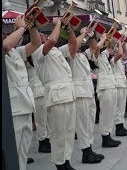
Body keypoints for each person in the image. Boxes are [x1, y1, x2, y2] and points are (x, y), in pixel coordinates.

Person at [32, 17, 77, 169]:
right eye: (41, 34)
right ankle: (59, 164)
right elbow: (51, 41)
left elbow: (73, 45)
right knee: (58, 134)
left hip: (68, 94)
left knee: (69, 132)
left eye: (45, 34)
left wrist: (69, 30)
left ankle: (66, 161)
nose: (44, 36)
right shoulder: (36, 53)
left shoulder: (56, 50)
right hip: (56, 97)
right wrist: (58, 24)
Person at [4, 15, 41, 170]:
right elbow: (5, 45)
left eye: (7, 33)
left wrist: (31, 26)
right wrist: (21, 28)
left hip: (25, 106)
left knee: (22, 153)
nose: (6, 35)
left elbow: (36, 43)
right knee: (13, 154)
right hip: (12, 110)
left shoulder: (16, 52)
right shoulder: (6, 48)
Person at [71, 27, 105, 164]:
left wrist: (92, 34)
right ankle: (85, 152)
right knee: (83, 125)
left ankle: (89, 150)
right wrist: (82, 33)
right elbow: (74, 45)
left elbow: (94, 47)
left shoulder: (83, 54)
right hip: (79, 94)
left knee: (90, 123)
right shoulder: (68, 52)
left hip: (88, 91)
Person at [91, 35, 123, 146]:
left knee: (110, 112)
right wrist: (103, 38)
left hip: (110, 86)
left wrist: (113, 39)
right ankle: (105, 137)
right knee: (105, 113)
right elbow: (97, 48)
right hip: (104, 88)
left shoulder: (104, 55)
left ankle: (108, 135)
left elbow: (109, 48)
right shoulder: (95, 56)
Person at [26, 33, 51, 154]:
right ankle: (43, 142)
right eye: (40, 36)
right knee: (41, 118)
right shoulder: (31, 52)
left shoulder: (42, 50)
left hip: (44, 88)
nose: (43, 37)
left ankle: (47, 139)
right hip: (37, 89)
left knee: (47, 117)